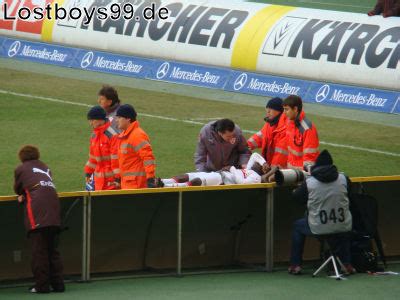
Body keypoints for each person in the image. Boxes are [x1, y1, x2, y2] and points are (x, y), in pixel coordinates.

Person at [288, 150, 355, 275]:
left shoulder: (309, 182)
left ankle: (295, 265)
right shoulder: (344, 179)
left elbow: (296, 198)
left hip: (318, 227)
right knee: (344, 227)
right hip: (343, 226)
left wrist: (301, 186)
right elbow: (350, 197)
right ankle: (346, 263)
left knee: (297, 226)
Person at [13, 145, 65, 293]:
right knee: (53, 251)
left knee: (39, 252)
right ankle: (58, 285)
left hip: (37, 215)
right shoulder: (46, 167)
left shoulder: (21, 169)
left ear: (22, 157)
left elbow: (18, 188)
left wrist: (22, 195)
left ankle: (42, 286)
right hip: (54, 213)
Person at [162, 153, 266, 187]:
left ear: (262, 171)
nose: (255, 163)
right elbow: (255, 155)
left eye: (258, 164)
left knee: (198, 180)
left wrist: (232, 168)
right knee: (187, 176)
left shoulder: (256, 177)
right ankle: (162, 181)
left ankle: (166, 186)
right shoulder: (249, 169)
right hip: (218, 174)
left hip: (223, 180)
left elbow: (242, 183)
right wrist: (264, 163)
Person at [116, 104, 157, 189]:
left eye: (119, 117)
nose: (117, 120)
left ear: (128, 119)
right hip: (128, 184)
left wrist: (150, 178)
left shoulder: (137, 135)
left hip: (136, 185)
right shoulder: (124, 136)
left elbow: (148, 158)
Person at [247, 97, 288, 181]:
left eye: (270, 110)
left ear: (279, 111)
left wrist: (270, 172)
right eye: (267, 110)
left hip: (280, 170)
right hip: (269, 165)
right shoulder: (270, 124)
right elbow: (259, 137)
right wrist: (247, 145)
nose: (267, 112)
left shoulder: (285, 129)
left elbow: (280, 156)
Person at [84, 106, 120, 190]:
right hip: (98, 182)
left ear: (100, 119)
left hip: (112, 183)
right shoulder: (94, 136)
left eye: (92, 120)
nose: (90, 123)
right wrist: (88, 173)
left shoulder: (112, 136)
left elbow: (116, 160)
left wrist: (118, 179)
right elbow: (92, 158)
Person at [283, 95, 319, 171]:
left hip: (303, 173)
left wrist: (305, 173)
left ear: (295, 109)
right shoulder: (289, 122)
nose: (284, 113)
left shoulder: (307, 128)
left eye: (286, 109)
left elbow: (310, 157)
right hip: (291, 170)